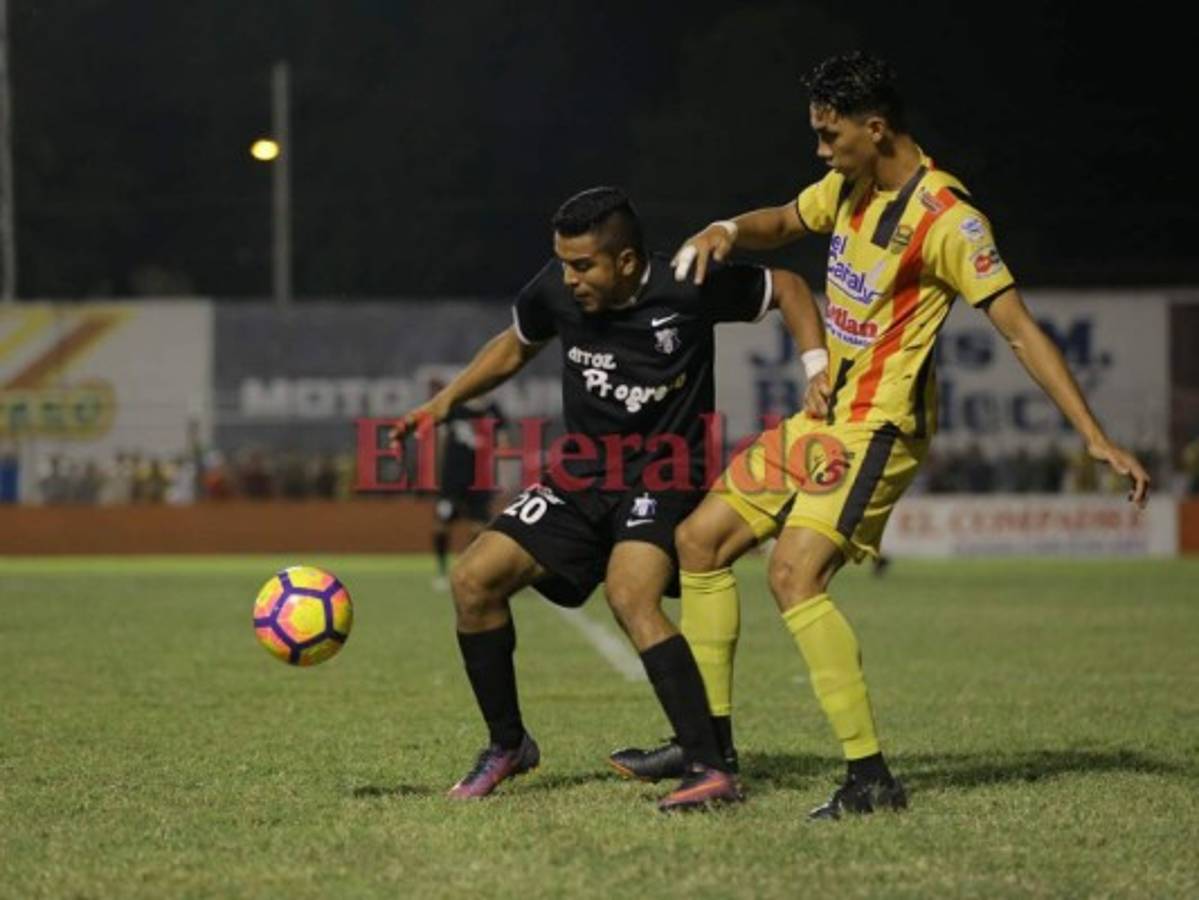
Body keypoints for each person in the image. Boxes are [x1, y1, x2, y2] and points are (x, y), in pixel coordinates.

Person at [609, 51, 1150, 819]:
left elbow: (1020, 330)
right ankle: (710, 755)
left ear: (876, 127)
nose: (820, 150)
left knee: (793, 575)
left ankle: (869, 780)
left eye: (829, 136)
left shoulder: (948, 221)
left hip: (879, 427)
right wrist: (729, 227)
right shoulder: (849, 189)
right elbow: (785, 220)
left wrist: (1093, 435)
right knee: (698, 541)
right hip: (824, 417)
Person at [390, 186, 824, 810]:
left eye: (583, 265)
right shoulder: (556, 288)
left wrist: (816, 370)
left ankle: (708, 766)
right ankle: (508, 745)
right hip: (583, 475)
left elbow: (785, 286)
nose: (569, 279)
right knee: (473, 580)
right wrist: (444, 402)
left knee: (630, 593)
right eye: (563, 263)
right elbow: (515, 344)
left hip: (666, 472)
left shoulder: (688, 281)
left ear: (625, 262)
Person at [425, 378, 507, 592]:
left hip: (479, 480)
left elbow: (504, 443)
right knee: (441, 524)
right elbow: (442, 440)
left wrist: (500, 469)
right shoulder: (456, 408)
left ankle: (473, 572)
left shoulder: (492, 410)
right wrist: (438, 473)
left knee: (479, 529)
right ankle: (441, 572)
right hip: (452, 479)